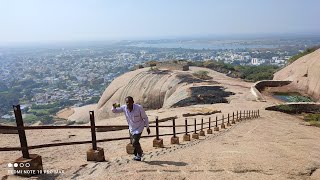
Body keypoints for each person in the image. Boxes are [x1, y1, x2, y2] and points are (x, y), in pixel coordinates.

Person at [111, 96, 150, 161]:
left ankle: (139, 154)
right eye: (127, 102)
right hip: (131, 127)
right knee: (133, 142)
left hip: (139, 127)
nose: (128, 104)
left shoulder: (139, 108)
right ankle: (138, 152)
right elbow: (114, 111)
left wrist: (147, 127)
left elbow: (145, 118)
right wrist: (114, 106)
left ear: (133, 102)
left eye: (129, 102)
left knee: (135, 142)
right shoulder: (124, 108)